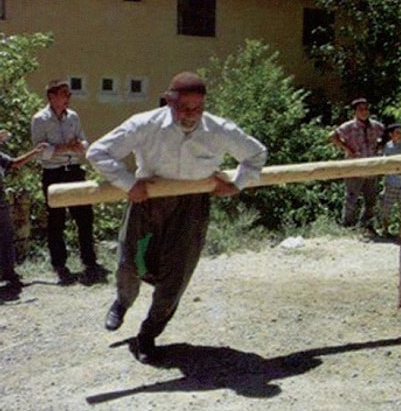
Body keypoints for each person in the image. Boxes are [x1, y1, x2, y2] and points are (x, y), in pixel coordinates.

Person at [86, 71, 267, 363]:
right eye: (185, 108)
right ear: (170, 102)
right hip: (148, 204)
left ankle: (147, 336)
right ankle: (122, 302)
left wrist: (236, 184)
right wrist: (129, 184)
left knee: (175, 279)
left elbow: (256, 155)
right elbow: (99, 152)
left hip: (190, 211)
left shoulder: (219, 129)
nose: (191, 115)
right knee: (132, 263)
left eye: (198, 108)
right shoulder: (145, 124)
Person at [31, 80, 105, 285]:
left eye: (69, 94)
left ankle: (89, 260)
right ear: (52, 96)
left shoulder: (73, 117)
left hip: (73, 171)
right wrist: (65, 148)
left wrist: (80, 146)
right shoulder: (40, 119)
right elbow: (40, 152)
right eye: (64, 94)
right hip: (53, 173)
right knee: (56, 220)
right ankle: (59, 263)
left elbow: (84, 141)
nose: (68, 98)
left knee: (84, 216)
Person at [329, 97, 385, 236]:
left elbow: (386, 136)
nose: (364, 112)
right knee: (351, 198)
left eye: (366, 109)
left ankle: (366, 225)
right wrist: (347, 149)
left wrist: (379, 147)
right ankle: (347, 226)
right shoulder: (349, 126)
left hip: (371, 167)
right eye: (361, 109)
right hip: (354, 167)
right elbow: (332, 136)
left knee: (371, 199)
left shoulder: (376, 126)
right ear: (355, 112)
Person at [0, 130, 47, 292]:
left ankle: (9, 273)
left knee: (6, 238)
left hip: (1, 204)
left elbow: (14, 163)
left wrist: (35, 152)